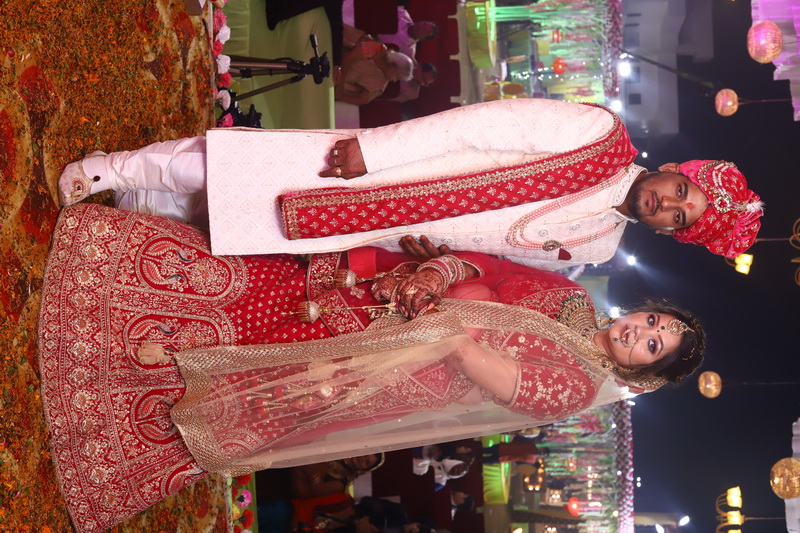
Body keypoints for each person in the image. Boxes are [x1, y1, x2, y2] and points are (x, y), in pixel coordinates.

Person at [39, 204, 704, 532]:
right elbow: (494, 272)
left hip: (386, 367)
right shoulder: (573, 299)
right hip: (391, 300)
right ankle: (102, 310)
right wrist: (438, 273)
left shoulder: (576, 387)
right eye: (652, 321)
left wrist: (447, 328)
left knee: (251, 379)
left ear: (643, 374)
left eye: (652, 345)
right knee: (259, 296)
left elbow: (501, 381)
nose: (640, 332)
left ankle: (103, 403)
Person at [57, 99, 763, 267]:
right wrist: (374, 150)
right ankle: (111, 168)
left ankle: (142, 202)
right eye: (681, 191)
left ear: (674, 233)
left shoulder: (601, 245)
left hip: (392, 229)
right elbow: (480, 123)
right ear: (679, 171)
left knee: (248, 222)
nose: (668, 204)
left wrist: (436, 261)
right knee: (236, 168)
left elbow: (497, 262)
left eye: (681, 216)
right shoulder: (599, 135)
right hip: (392, 170)